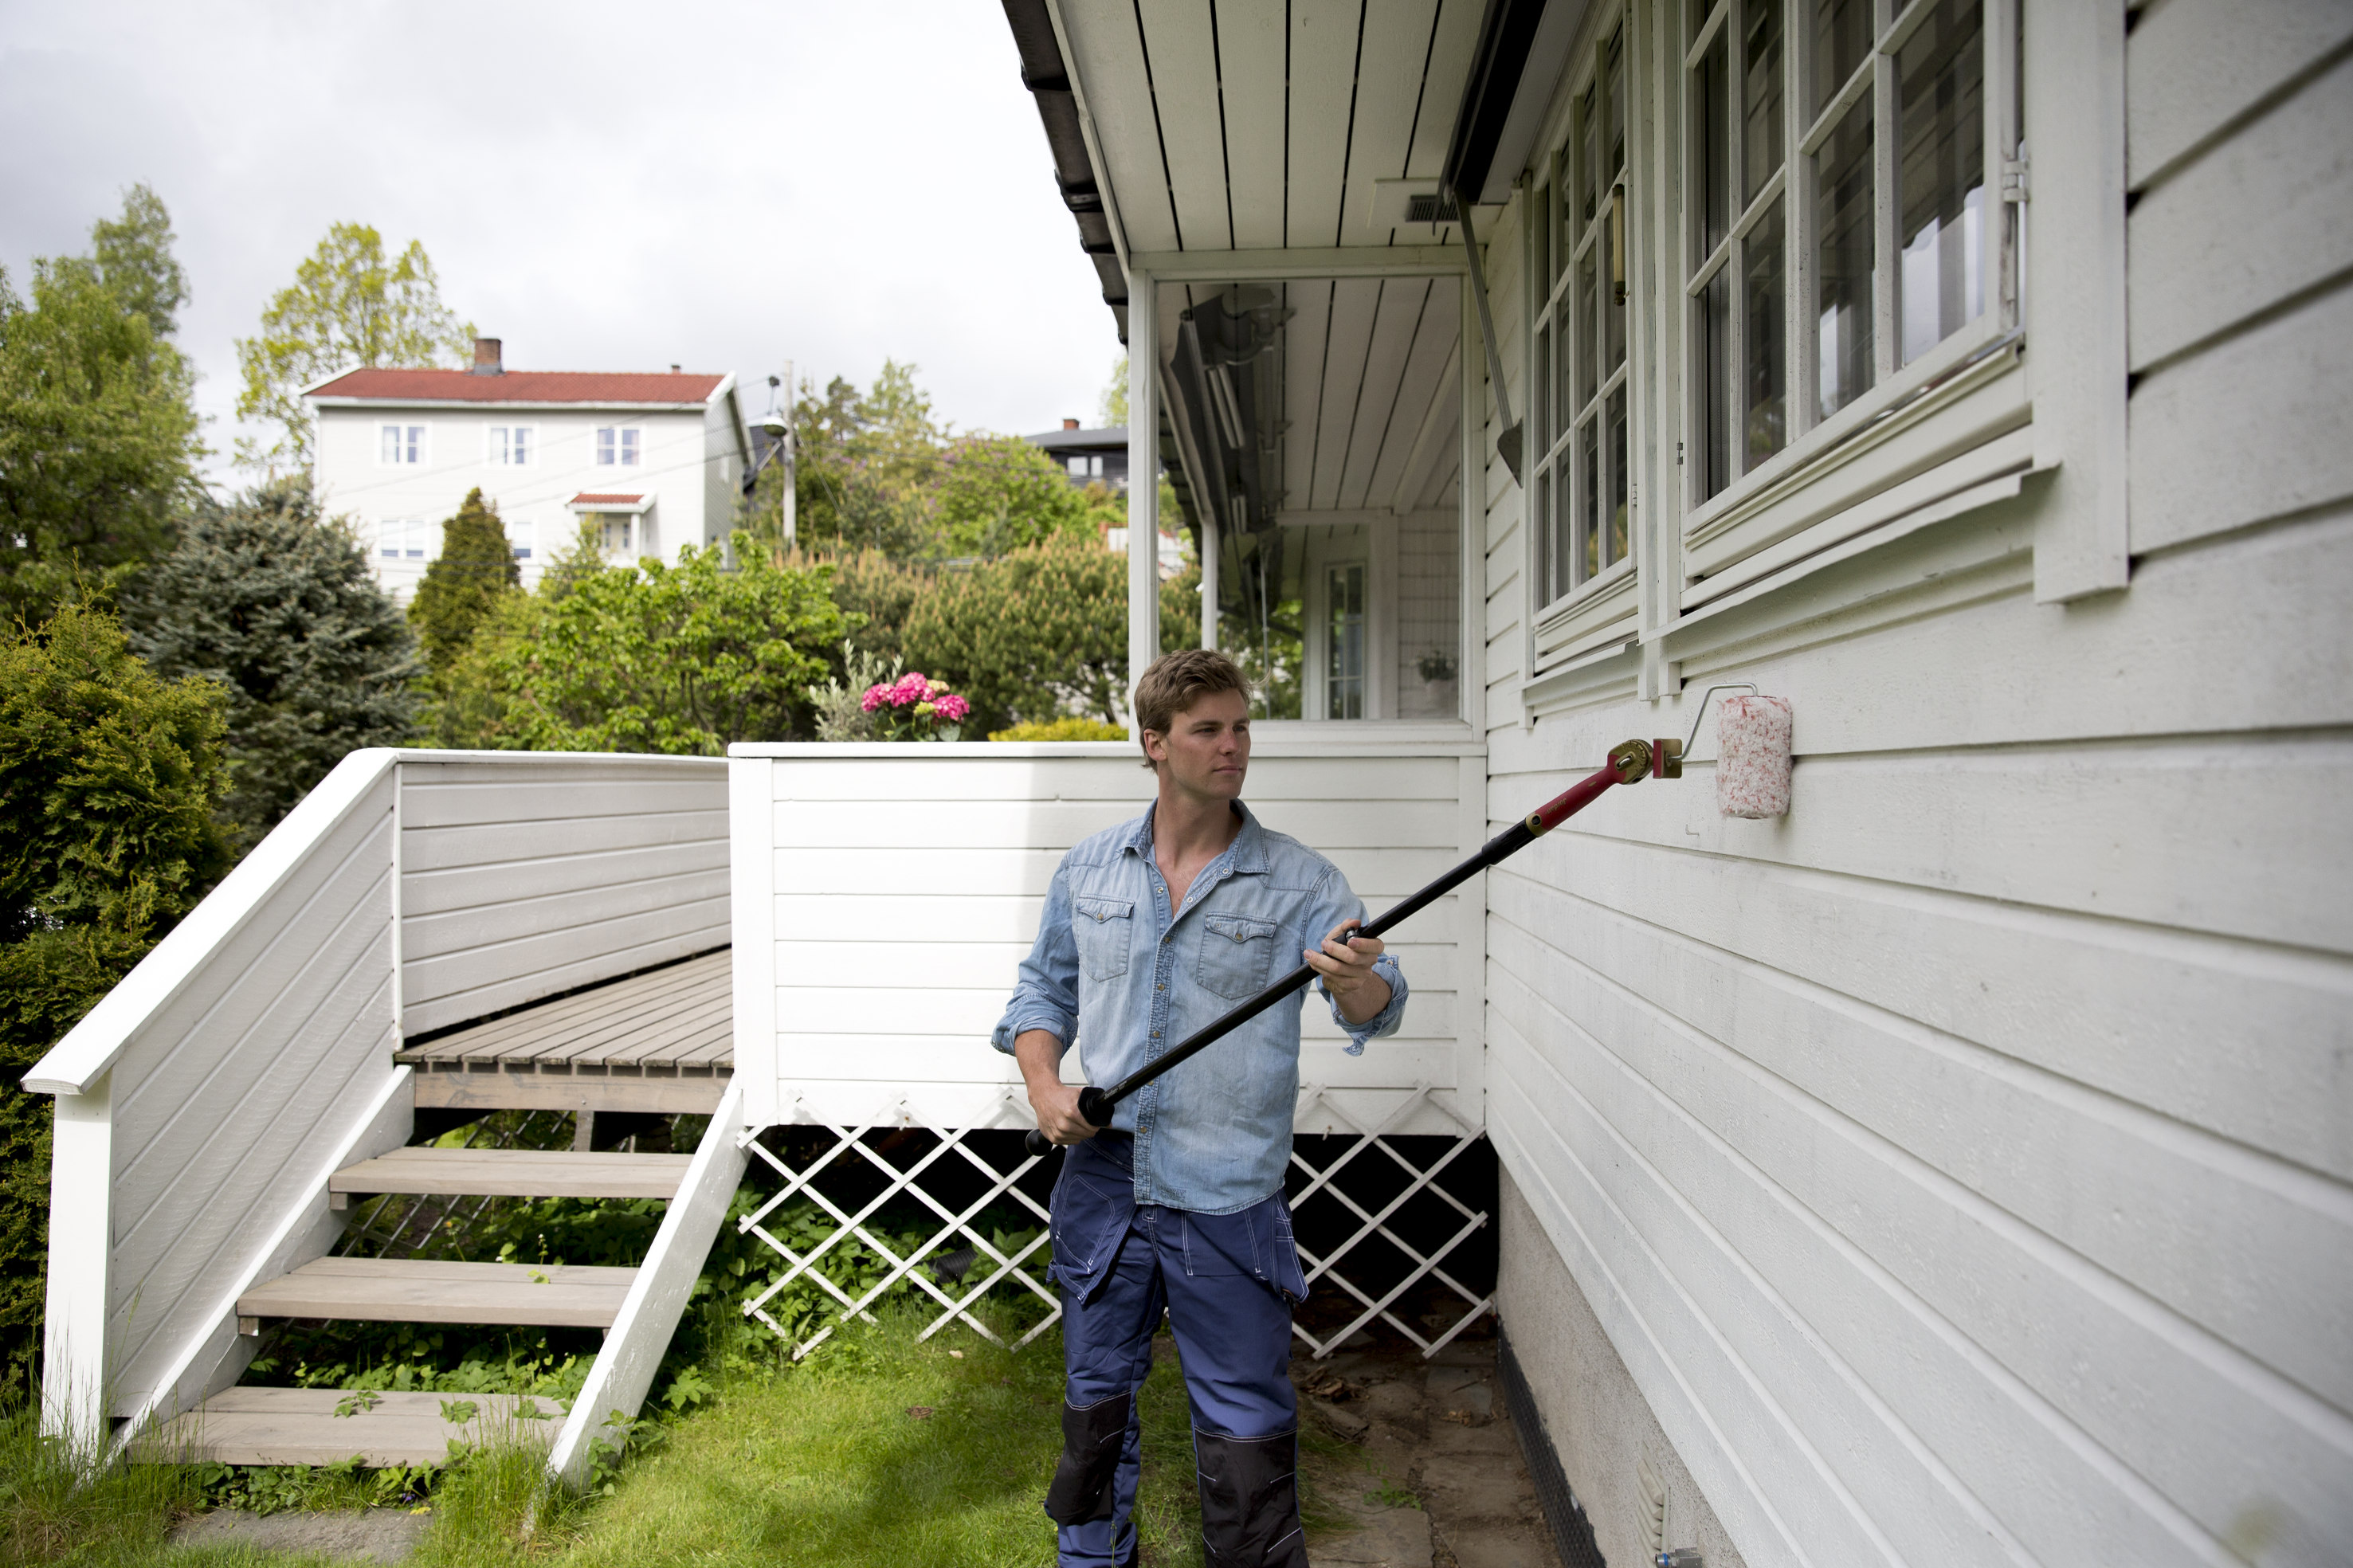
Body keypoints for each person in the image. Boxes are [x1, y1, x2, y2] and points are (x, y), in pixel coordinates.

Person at [991, 649, 1409, 1568]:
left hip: (1227, 1191)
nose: (1233, 747)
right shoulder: (1089, 869)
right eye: (1208, 730)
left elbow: (1376, 1008)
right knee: (1095, 1409)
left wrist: (1357, 979)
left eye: (1241, 727)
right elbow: (1040, 994)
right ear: (1154, 743)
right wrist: (1046, 1088)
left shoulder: (1301, 882)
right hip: (1104, 1183)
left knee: (1245, 1425)